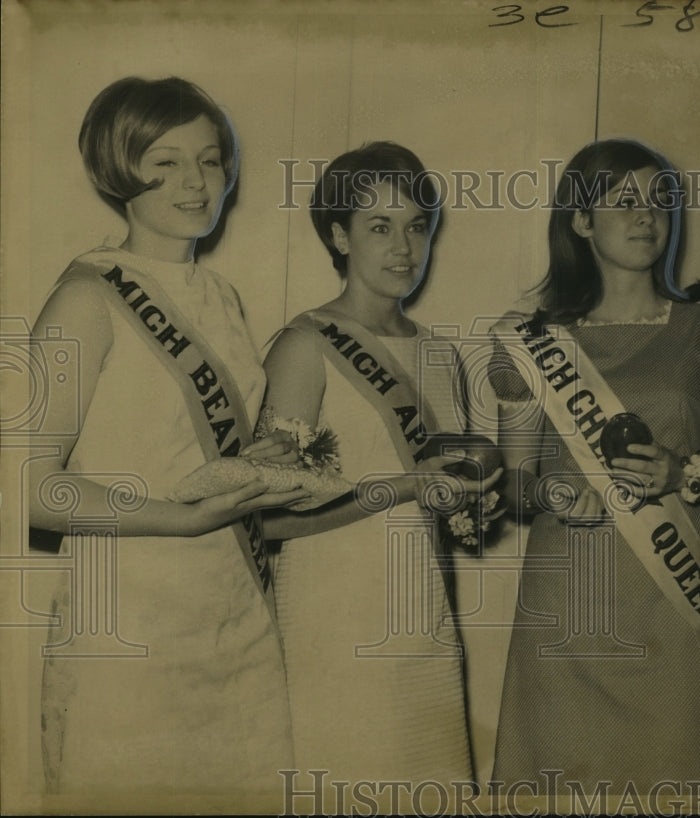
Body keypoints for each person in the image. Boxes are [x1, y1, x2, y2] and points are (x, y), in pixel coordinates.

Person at [29, 77, 309, 797]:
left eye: (210, 161)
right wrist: (185, 519)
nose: (195, 183)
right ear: (119, 167)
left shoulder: (222, 296)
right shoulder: (85, 298)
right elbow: (29, 490)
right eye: (167, 161)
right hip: (127, 623)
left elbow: (196, 457)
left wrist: (260, 469)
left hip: (236, 614)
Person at [487, 138, 700, 794]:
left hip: (676, 614)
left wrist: (685, 474)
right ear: (580, 222)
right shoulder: (531, 341)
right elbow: (516, 485)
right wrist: (552, 489)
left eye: (658, 201)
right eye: (623, 201)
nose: (647, 216)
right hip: (565, 618)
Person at [260, 141, 501, 795]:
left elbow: (452, 501)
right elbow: (267, 520)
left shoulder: (441, 355)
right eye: (379, 227)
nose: (404, 247)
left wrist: (474, 508)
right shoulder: (303, 346)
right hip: (332, 625)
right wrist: (402, 486)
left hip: (423, 620)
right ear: (339, 236)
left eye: (416, 226)